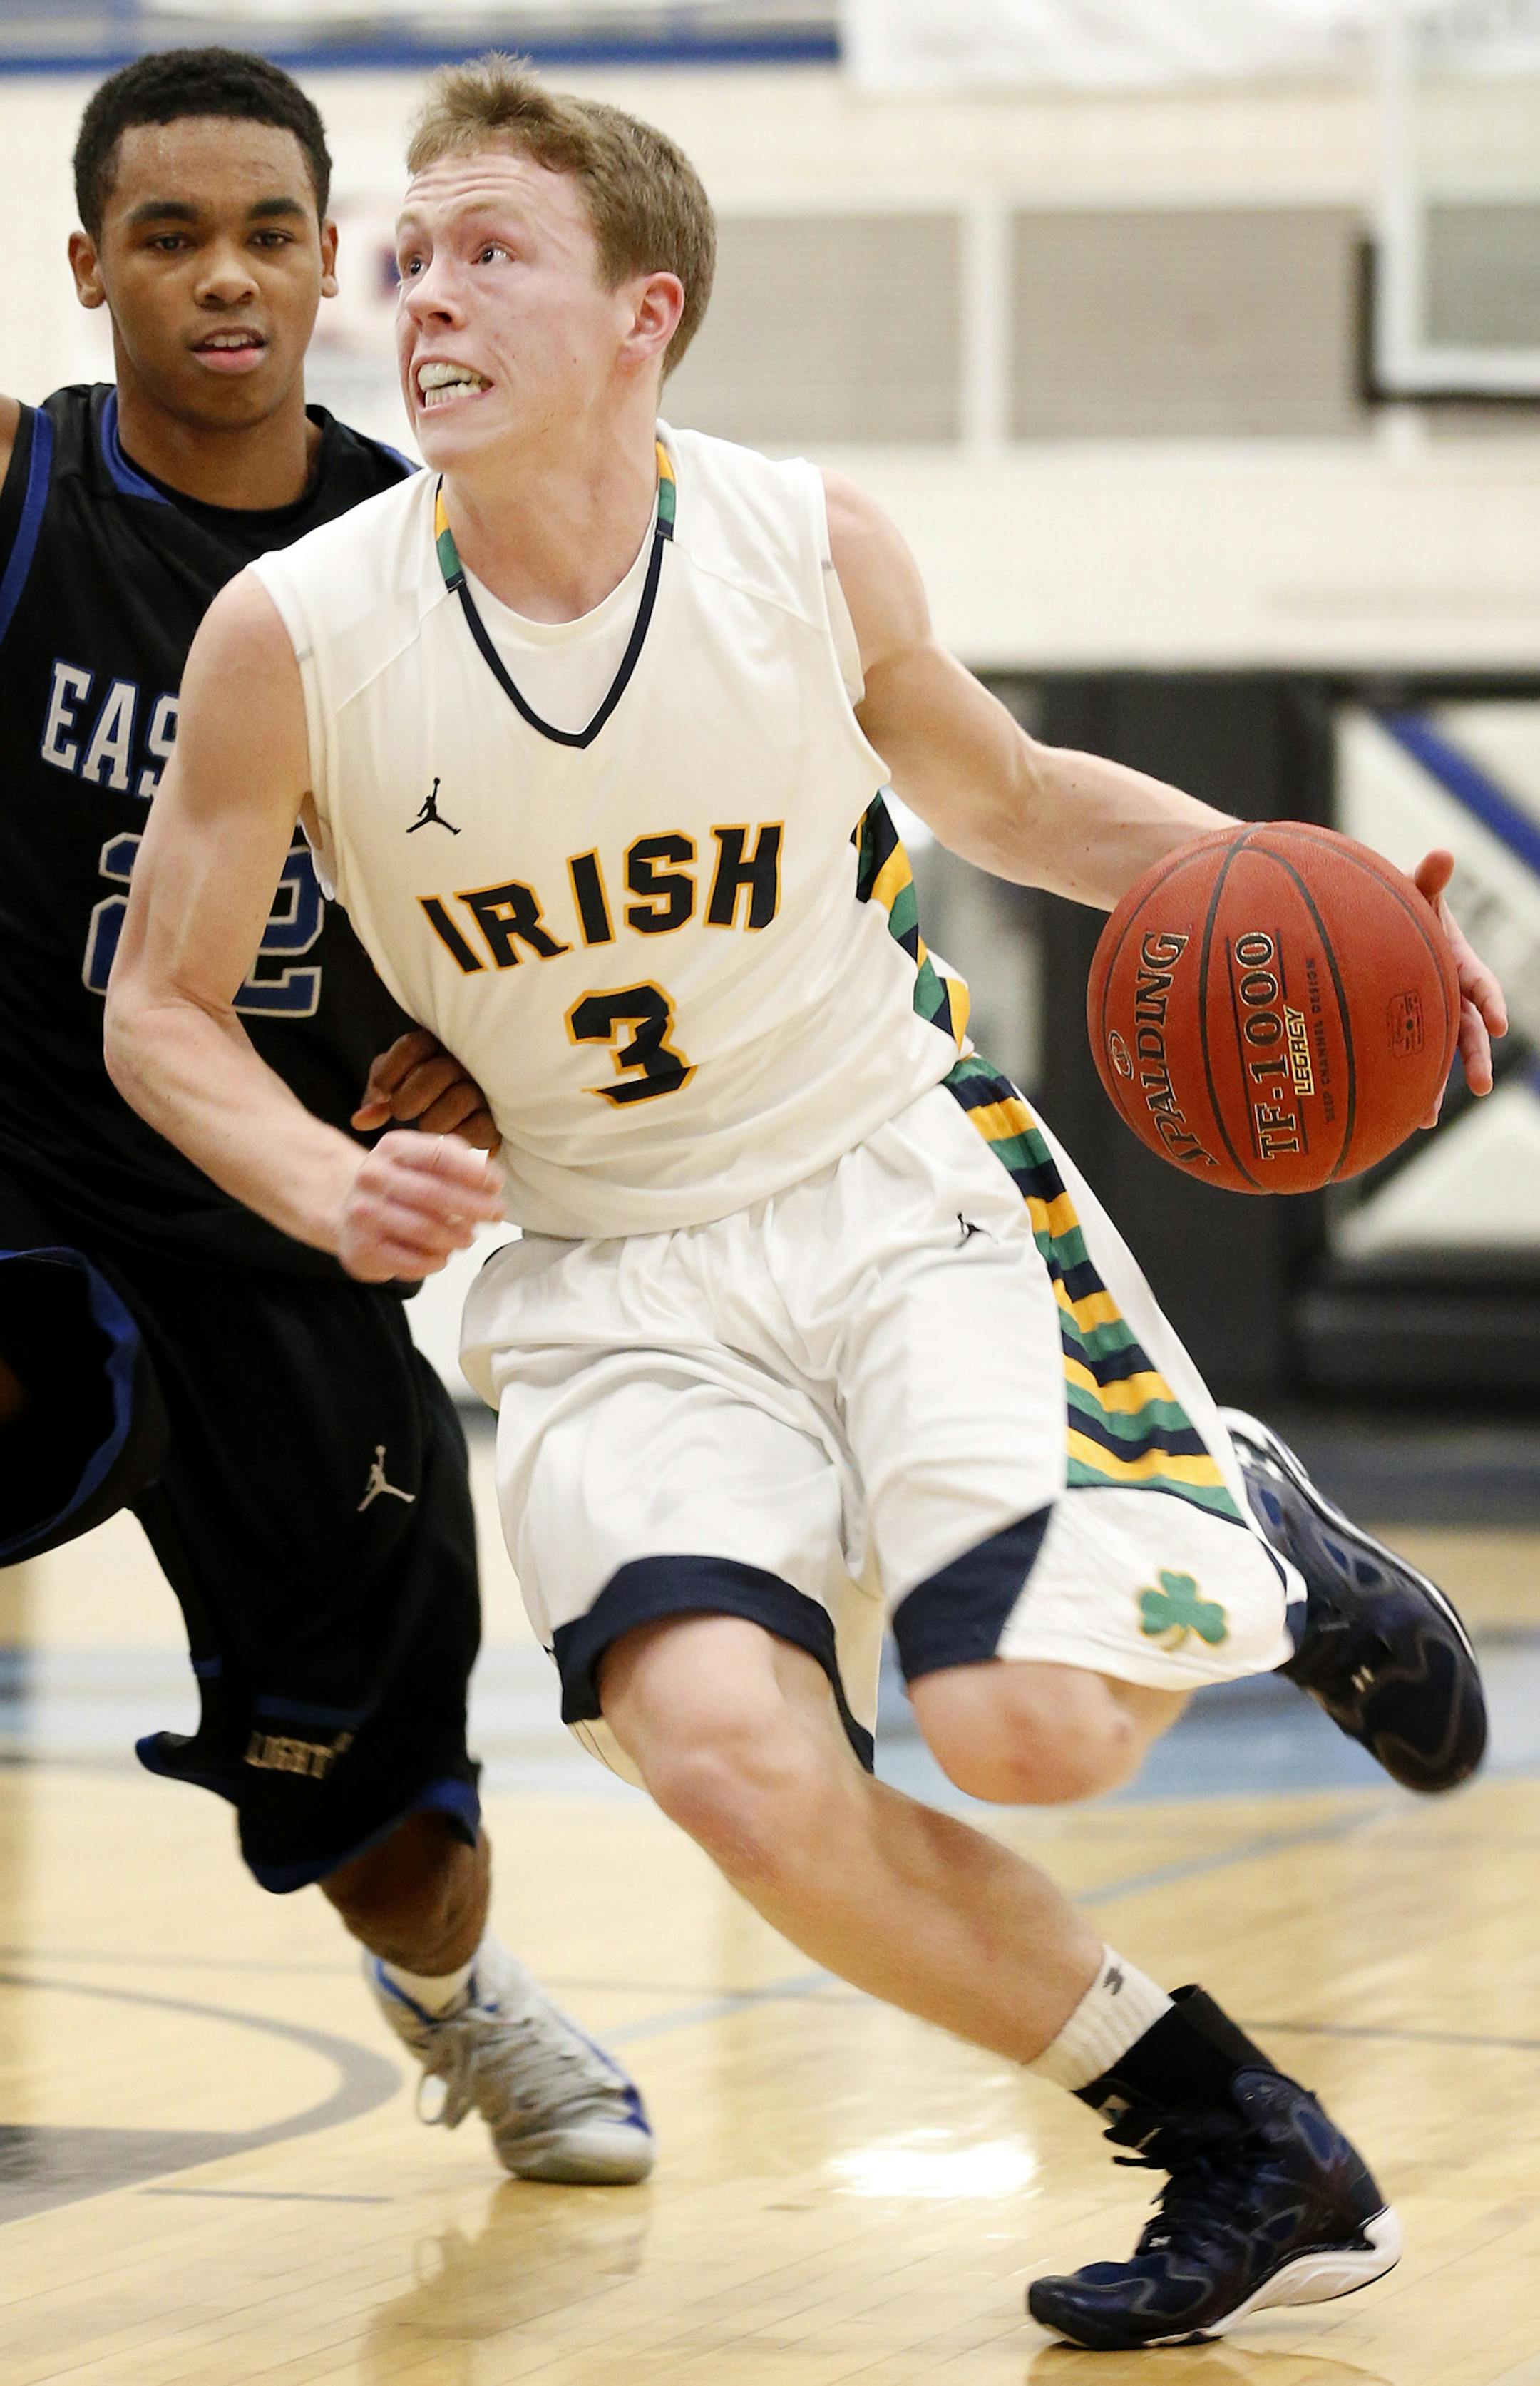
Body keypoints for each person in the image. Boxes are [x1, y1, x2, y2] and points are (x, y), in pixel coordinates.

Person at [106, 58, 1506, 2350]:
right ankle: (1237, 2130)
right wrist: (327, 1174)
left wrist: (1358, 900)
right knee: (742, 1768)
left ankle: (1250, 1529)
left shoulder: (797, 538)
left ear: (644, 311)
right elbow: (158, 1010)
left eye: (487, 249)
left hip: (889, 1186)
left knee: (1020, 1726)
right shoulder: (295, 630)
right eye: (412, 250)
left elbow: (1025, 794)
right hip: (599, 1274)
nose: (421, 290)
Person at [0, 47, 652, 2188]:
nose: (224, 278)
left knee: (391, 1830)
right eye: (169, 234)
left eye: (270, 232)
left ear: (332, 261)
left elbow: (563, 897)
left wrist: (488, 1042)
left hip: (286, 1231)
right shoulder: (25, 496)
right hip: (30, 1184)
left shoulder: (435, 555)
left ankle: (465, 2000)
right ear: (87, 264)